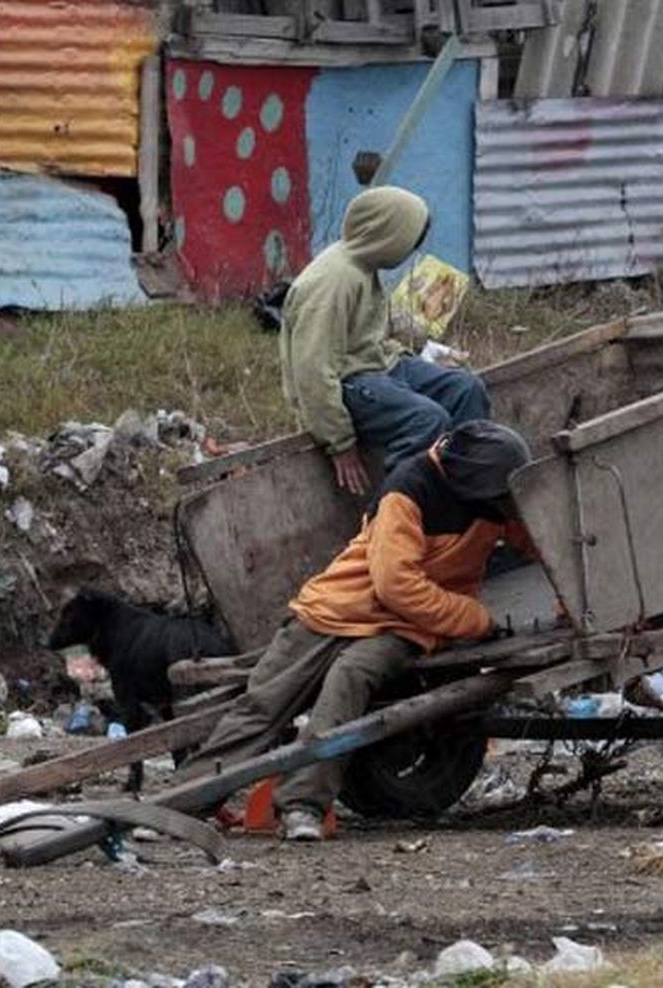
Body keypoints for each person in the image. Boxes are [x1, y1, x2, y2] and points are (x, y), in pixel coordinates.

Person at [177, 420, 533, 841]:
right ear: (469, 482)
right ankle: (184, 803)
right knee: (264, 703)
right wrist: (476, 619)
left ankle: (302, 806)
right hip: (339, 607)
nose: (502, 504)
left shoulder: (493, 497)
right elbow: (395, 584)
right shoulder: (409, 490)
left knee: (349, 680)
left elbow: (541, 540)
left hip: (403, 626)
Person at [281, 186, 490, 496]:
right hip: (348, 382)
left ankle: (463, 495)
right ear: (388, 236)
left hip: (379, 367)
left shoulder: (364, 267)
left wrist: (411, 357)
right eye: (409, 240)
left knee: (466, 389)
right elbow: (313, 371)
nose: (411, 251)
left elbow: (368, 341)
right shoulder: (333, 282)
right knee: (427, 420)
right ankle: (393, 514)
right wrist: (340, 442)